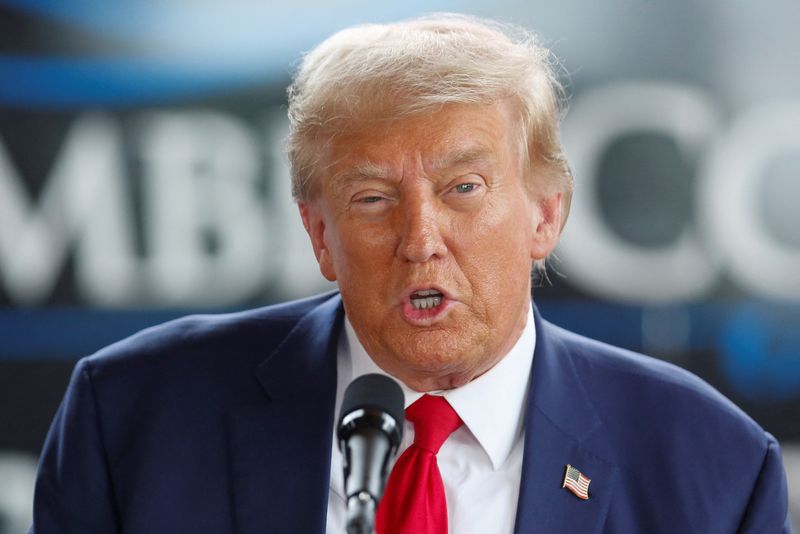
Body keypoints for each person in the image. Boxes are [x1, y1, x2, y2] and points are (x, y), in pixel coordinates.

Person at [31, 13, 790, 534]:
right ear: (320, 235)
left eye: (464, 188)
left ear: (545, 216)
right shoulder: (134, 417)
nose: (420, 239)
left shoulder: (710, 466)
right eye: (372, 199)